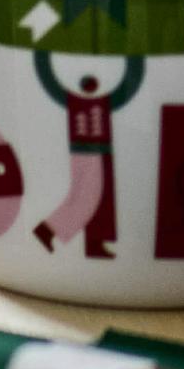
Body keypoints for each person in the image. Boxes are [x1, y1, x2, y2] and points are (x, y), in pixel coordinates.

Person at [31, 53, 145, 259]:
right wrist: (42, 54)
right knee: (86, 199)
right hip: (85, 153)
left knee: (102, 200)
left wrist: (135, 54)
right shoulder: (76, 102)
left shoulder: (102, 102)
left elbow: (130, 86)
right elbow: (50, 82)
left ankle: (96, 243)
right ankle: (47, 230)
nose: (91, 87)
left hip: (103, 152)